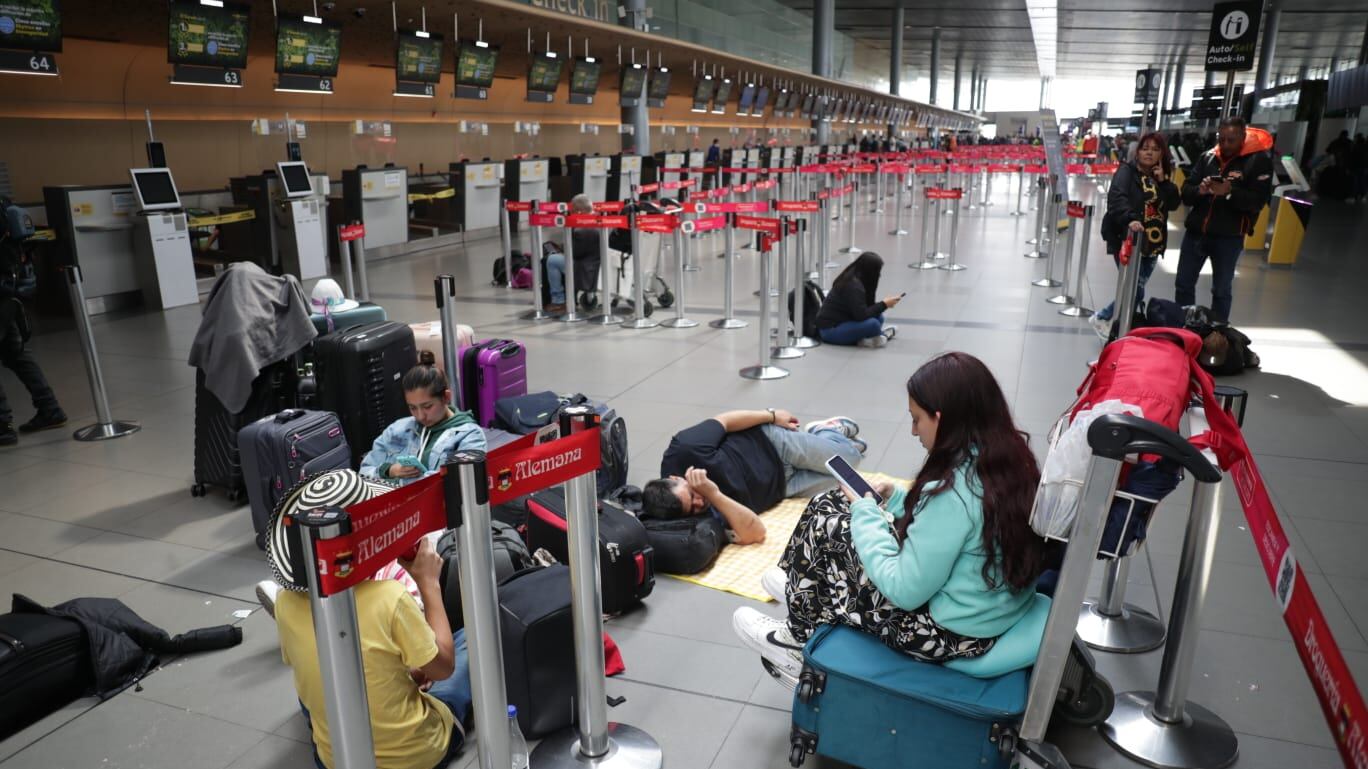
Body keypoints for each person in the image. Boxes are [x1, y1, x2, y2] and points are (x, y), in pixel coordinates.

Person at [732, 352, 1046, 682]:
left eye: (916, 419)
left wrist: (867, 510)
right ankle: (809, 593)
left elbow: (904, 590)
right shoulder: (1009, 460)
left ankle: (798, 641)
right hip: (988, 609)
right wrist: (894, 499)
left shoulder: (954, 494)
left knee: (828, 516)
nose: (913, 431)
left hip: (947, 635)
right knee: (838, 509)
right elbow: (954, 533)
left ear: (940, 419)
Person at [275, 536, 472, 769]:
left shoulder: (285, 600)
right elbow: (443, 669)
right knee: (468, 639)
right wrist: (429, 583)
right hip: (415, 757)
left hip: (336, 760)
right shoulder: (390, 596)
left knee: (316, 677)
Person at [642, 410, 867, 546]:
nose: (699, 503)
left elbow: (725, 421)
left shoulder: (684, 449)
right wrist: (713, 493)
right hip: (784, 487)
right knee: (849, 482)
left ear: (676, 477)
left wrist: (771, 415)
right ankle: (833, 442)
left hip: (773, 444)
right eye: (692, 507)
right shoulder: (699, 521)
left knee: (851, 459)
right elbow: (756, 533)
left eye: (692, 494)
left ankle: (825, 430)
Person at [1175, 117, 1274, 322]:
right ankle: (1184, 328)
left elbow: (1257, 202)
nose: (1226, 144)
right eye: (1222, 139)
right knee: (1183, 284)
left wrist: (1229, 192)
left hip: (1228, 238)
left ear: (1243, 137)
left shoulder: (1258, 162)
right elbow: (1185, 193)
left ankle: (1218, 335)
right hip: (1196, 234)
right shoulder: (1207, 157)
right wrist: (1200, 190)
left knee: (1220, 290)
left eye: (1232, 140)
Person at [1089, 132, 1181, 339]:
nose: (1149, 153)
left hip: (1153, 243)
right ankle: (1104, 317)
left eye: (1155, 149)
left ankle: (1121, 326)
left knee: (1136, 288)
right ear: (1137, 151)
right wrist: (1130, 219)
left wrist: (1164, 182)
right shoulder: (1126, 172)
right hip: (1128, 238)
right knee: (1134, 289)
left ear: (1162, 154)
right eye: (1145, 148)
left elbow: (1173, 203)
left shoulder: (1160, 176)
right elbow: (1116, 198)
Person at [359, 354, 486, 484]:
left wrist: (404, 481)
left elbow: (459, 482)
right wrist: (389, 471)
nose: (420, 416)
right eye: (413, 408)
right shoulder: (397, 429)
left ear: (446, 397)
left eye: (427, 406)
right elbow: (364, 472)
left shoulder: (469, 436)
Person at [0, 197, 65, 447]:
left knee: (16, 354)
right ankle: (50, 408)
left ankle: (2, 426)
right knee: (16, 354)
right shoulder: (4, 203)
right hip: (9, 292)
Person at [814, 252, 900, 347]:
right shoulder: (853, 286)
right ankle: (877, 337)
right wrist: (884, 304)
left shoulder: (856, 278)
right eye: (877, 271)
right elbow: (862, 315)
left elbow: (864, 308)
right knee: (874, 324)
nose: (879, 275)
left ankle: (870, 338)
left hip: (844, 321)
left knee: (879, 317)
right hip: (830, 331)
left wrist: (883, 304)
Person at [543, 194, 602, 314]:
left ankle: (559, 300)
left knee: (551, 260)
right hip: (595, 261)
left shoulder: (582, 228)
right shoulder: (599, 219)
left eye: (573, 211)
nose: (571, 213)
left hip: (585, 266)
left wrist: (562, 249)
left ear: (579, 211)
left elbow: (574, 253)